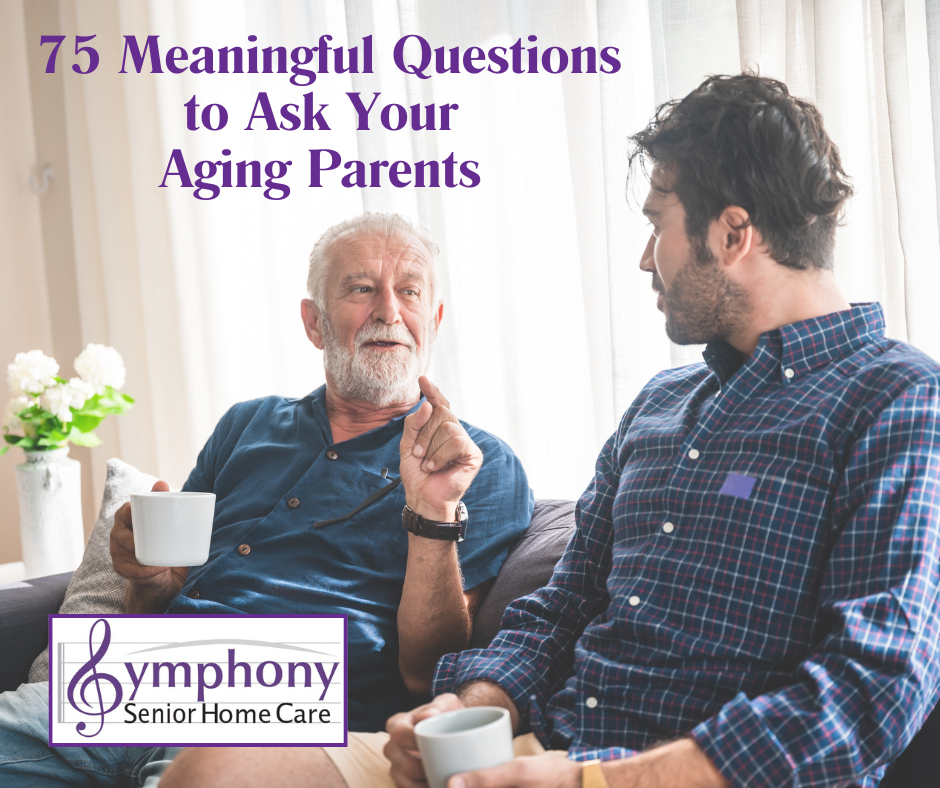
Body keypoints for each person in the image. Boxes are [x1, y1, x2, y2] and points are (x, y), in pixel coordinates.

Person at [372, 74, 940, 788]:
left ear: (733, 232)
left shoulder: (900, 402)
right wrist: (471, 710)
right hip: (546, 756)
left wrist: (595, 783)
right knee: (224, 760)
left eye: (657, 225)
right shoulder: (661, 404)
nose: (646, 259)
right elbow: (565, 607)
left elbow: (872, 689)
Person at [0, 213, 533, 787]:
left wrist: (431, 515)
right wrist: (147, 576)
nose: (388, 310)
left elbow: (428, 671)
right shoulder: (247, 424)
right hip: (134, 686)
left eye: (409, 291)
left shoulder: (477, 464)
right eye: (360, 288)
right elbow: (150, 608)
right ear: (314, 322)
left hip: (285, 711)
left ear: (434, 318)